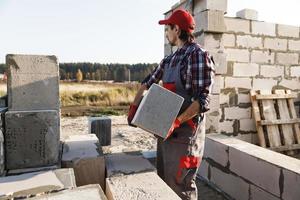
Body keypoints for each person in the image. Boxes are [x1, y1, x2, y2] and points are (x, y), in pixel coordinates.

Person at [127, 9, 215, 200]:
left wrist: (177, 121)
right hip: (165, 136)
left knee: (181, 188)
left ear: (177, 29)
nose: (166, 33)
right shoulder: (169, 60)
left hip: (185, 137)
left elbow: (203, 100)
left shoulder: (198, 55)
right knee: (164, 184)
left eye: (168, 29)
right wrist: (134, 107)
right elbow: (147, 82)